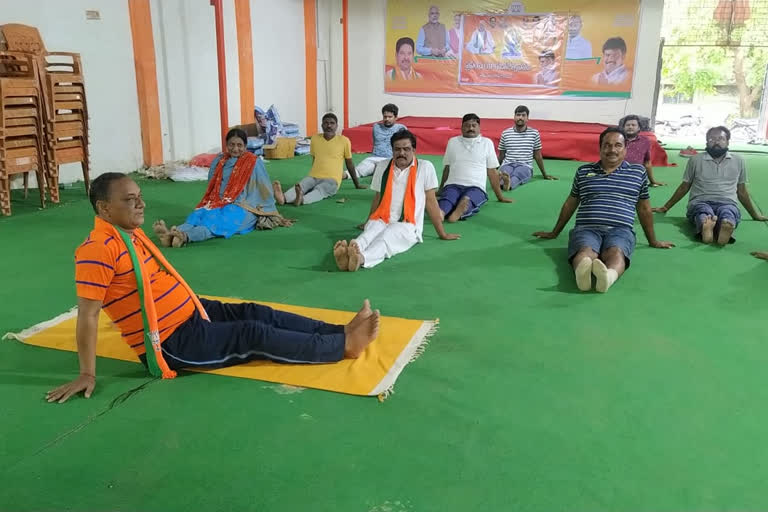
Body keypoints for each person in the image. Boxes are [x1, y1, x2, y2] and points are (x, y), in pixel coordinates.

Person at [46, 173, 380, 403]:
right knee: (252, 334)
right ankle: (342, 347)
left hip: (193, 311)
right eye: (129, 200)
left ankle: (339, 331)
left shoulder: (127, 235)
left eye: (140, 197)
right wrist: (86, 373)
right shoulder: (97, 248)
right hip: (174, 342)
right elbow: (88, 315)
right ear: (104, 208)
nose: (140, 205)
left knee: (255, 311)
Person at [534, 127, 674, 293]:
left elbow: (644, 208)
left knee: (616, 252)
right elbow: (570, 203)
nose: (612, 150)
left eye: (617, 145)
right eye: (607, 145)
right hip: (587, 228)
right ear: (600, 148)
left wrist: (653, 241)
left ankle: (608, 277)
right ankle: (582, 275)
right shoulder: (583, 171)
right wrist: (554, 232)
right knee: (585, 251)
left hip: (620, 230)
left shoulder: (638, 173)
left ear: (625, 148)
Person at [333, 130, 459, 272]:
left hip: (408, 224)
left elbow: (431, 202)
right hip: (382, 217)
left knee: (386, 239)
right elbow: (377, 198)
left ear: (414, 150)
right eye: (397, 149)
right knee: (368, 234)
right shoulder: (382, 166)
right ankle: (349, 255)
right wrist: (368, 220)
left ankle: (361, 259)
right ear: (392, 150)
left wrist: (442, 233)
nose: (402, 153)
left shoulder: (425, 167)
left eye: (406, 149)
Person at [153, 129, 291, 248]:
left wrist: (267, 208)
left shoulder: (253, 162)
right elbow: (212, 186)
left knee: (214, 224)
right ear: (226, 145)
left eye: (239, 145)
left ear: (245, 146)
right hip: (218, 201)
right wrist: (215, 202)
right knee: (198, 215)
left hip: (243, 206)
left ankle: (184, 236)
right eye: (231, 145)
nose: (235, 149)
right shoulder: (220, 161)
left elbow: (263, 188)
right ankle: (170, 235)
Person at [652, 126, 767, 245]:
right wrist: (666, 207)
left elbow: (741, 191)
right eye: (712, 139)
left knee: (728, 211)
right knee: (702, 211)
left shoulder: (738, 160)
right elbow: (684, 186)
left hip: (727, 202)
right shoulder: (695, 160)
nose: (716, 142)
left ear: (728, 141)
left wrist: (755, 215)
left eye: (721, 139)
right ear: (707, 142)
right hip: (700, 201)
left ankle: (723, 227)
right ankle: (707, 227)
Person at [273, 113, 365, 207]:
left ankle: (302, 199)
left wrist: (357, 184)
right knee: (302, 185)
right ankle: (283, 198)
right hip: (314, 176)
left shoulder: (344, 141)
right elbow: (315, 159)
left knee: (320, 190)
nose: (329, 125)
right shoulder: (315, 139)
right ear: (321, 125)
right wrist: (312, 174)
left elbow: (349, 163)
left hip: (332, 179)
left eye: (332, 123)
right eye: (326, 123)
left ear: (336, 126)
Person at [438, 113, 513, 222]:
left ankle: (459, 211)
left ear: (479, 127)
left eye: (474, 125)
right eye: (467, 125)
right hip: (453, 184)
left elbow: (492, 172)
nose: (470, 128)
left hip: (476, 187)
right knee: (447, 198)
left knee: (469, 199)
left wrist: (500, 196)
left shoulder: (487, 143)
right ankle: (441, 213)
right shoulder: (452, 142)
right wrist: (441, 189)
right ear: (462, 127)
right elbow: (447, 168)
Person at [497, 105, 557, 190]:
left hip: (525, 166)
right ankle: (504, 182)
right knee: (505, 172)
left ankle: (507, 184)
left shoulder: (534, 133)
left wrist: (544, 174)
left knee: (518, 174)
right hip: (508, 164)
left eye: (523, 115)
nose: (520, 117)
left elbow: (537, 155)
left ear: (527, 118)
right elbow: (501, 155)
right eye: (518, 115)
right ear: (514, 117)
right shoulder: (505, 133)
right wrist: (493, 170)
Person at [353, 104, 407, 178]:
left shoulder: (401, 128)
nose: (387, 119)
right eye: (385, 117)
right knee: (357, 171)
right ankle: (340, 176)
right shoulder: (377, 127)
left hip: (390, 160)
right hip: (374, 158)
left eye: (390, 117)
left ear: (396, 117)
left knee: (387, 174)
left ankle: (378, 171)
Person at [622, 114, 663, 187]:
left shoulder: (645, 141)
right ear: (623, 127)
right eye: (627, 125)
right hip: (618, 174)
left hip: (636, 176)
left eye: (633, 125)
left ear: (639, 128)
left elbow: (647, 162)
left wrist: (652, 181)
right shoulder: (618, 140)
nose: (630, 127)